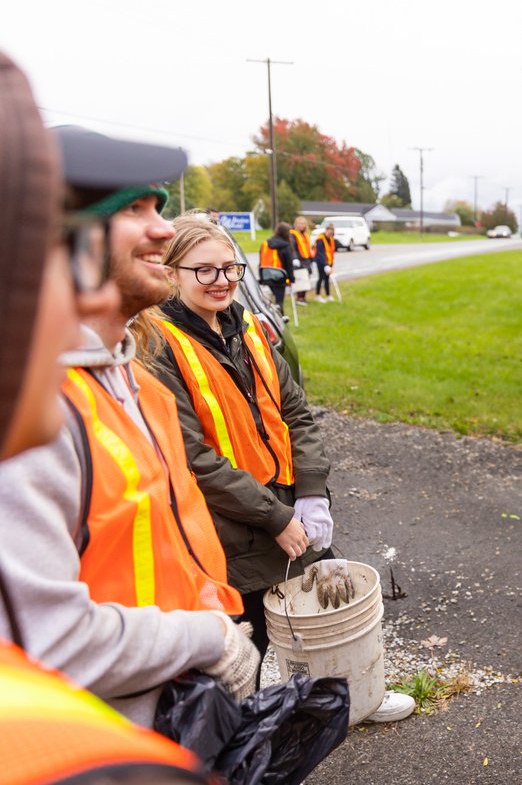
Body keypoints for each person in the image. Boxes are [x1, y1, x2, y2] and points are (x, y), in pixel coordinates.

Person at [0, 50, 207, 785]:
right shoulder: (40, 416)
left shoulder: (135, 380)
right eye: (131, 209)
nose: (165, 230)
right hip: (90, 737)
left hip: (163, 711)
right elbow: (47, 640)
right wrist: (206, 637)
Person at [140, 213, 415, 721]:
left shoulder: (245, 329)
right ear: (171, 272)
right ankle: (235, 747)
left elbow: (297, 413)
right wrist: (274, 518)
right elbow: (191, 457)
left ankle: (352, 699)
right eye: (204, 270)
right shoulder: (157, 348)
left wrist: (310, 494)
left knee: (330, 604)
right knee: (246, 644)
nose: (221, 280)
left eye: (230, 268)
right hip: (225, 524)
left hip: (286, 499)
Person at [259, 221, 295, 307]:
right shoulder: (286, 245)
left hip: (266, 275)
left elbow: (260, 260)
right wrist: (291, 279)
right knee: (279, 302)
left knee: (267, 303)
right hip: (280, 276)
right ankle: (280, 317)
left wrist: (261, 276)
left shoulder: (265, 243)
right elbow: (289, 264)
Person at [290, 215, 314, 303]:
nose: (302, 225)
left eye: (303, 223)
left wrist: (312, 259)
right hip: (299, 260)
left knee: (306, 279)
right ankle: (299, 298)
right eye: (300, 223)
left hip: (307, 260)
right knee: (300, 279)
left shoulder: (305, 235)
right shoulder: (292, 234)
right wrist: (295, 258)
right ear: (296, 224)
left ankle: (303, 297)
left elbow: (309, 248)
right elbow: (292, 247)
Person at [314, 222, 335, 302]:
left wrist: (329, 264)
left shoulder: (331, 239)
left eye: (331, 233)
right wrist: (325, 265)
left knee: (327, 279)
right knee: (321, 278)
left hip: (329, 262)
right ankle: (317, 295)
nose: (330, 234)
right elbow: (320, 253)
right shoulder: (320, 240)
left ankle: (328, 295)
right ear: (326, 230)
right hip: (321, 262)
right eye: (329, 232)